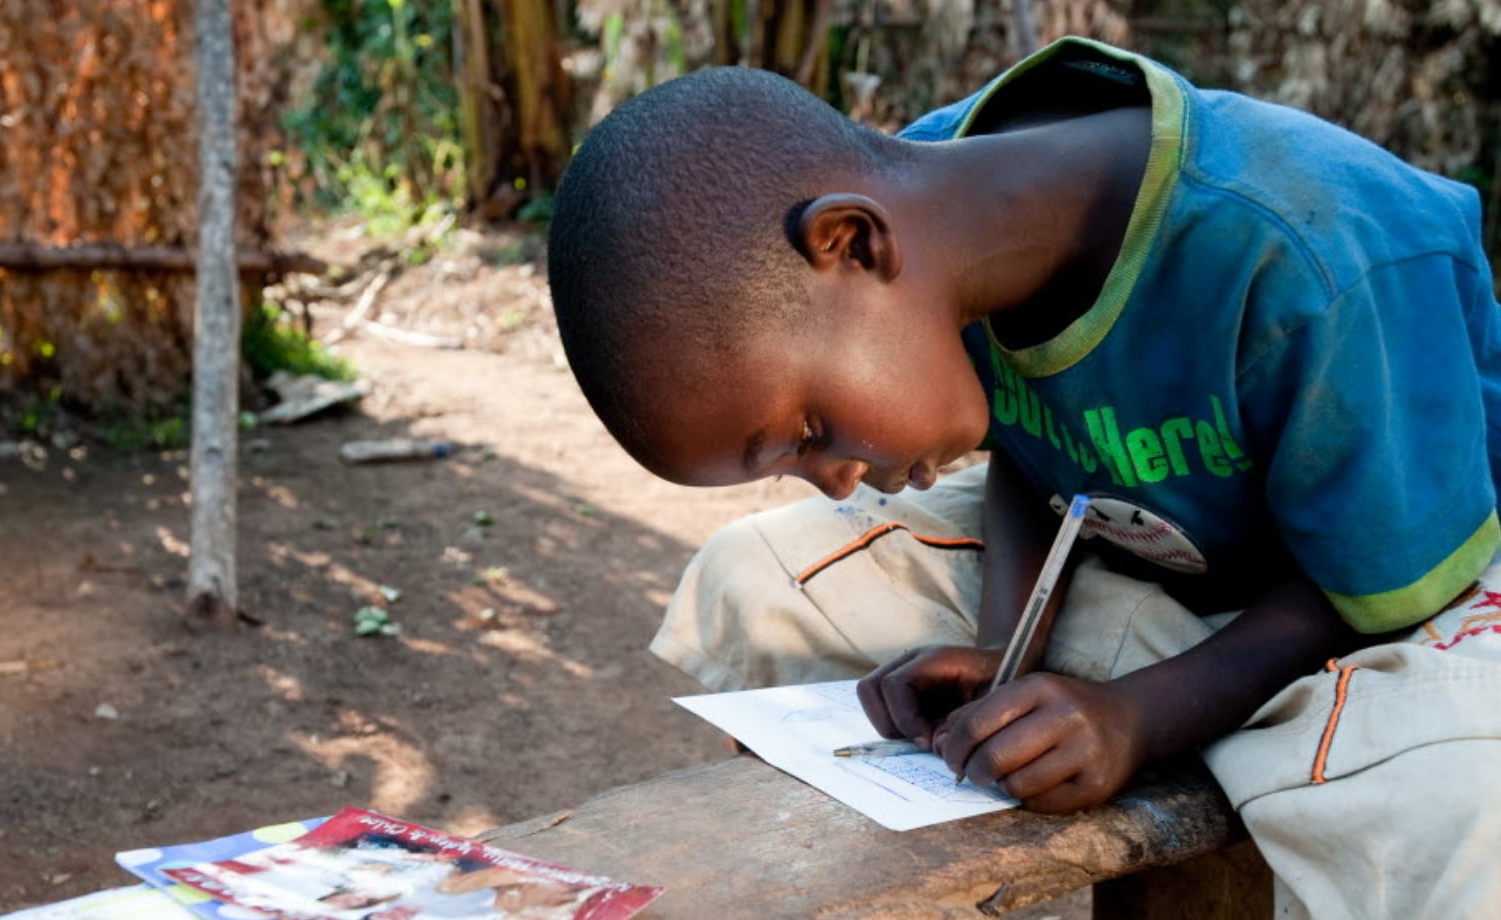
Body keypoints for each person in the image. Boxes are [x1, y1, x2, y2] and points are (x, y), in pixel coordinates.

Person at [546, 35, 1501, 920]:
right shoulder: (941, 208)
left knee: (1447, 808)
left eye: (806, 429)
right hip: (1144, 550)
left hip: (1382, 584)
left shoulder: (1315, 247)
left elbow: (1377, 579)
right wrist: (1008, 645)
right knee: (756, 581)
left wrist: (1143, 714)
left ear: (853, 244)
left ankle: (1221, 733)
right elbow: (1035, 440)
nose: (836, 480)